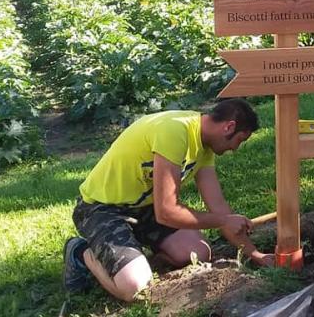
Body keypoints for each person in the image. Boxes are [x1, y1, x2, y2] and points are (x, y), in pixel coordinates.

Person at [62, 98, 273, 301]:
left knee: (198, 252)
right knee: (135, 287)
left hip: (145, 208)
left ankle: (131, 259)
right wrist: (223, 221)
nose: (235, 149)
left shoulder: (205, 147)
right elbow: (166, 212)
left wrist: (257, 255)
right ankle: (80, 252)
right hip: (102, 208)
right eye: (240, 140)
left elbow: (218, 207)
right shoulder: (175, 130)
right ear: (229, 127)